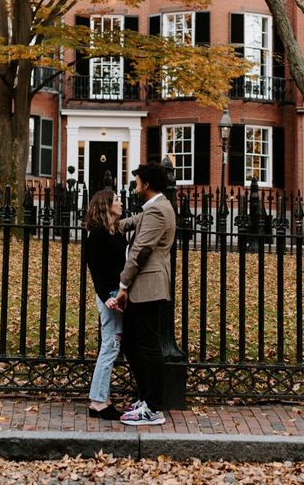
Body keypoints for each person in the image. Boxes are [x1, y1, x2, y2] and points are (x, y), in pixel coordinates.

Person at [108, 162, 176, 426]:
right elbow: (129, 223)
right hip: (143, 288)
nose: (134, 185)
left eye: (136, 181)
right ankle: (145, 398)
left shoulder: (158, 211)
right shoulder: (153, 209)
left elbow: (140, 251)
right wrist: (102, 224)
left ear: (146, 184)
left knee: (148, 346)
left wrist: (123, 287)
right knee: (133, 343)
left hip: (147, 287)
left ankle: (154, 407)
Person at [85, 189, 126, 420]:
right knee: (110, 347)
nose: (120, 203)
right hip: (109, 296)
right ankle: (98, 402)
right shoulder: (98, 235)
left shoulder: (116, 231)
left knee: (112, 346)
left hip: (117, 294)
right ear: (106, 205)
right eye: (117, 200)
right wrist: (105, 297)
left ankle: (103, 398)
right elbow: (96, 270)